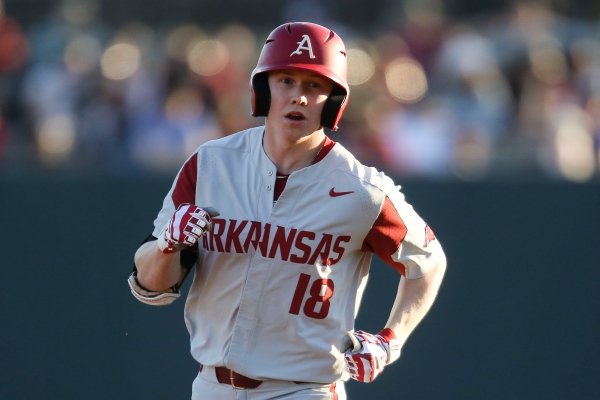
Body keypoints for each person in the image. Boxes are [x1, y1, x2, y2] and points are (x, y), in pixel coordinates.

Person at [129, 21, 447, 400]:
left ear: (334, 101)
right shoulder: (211, 164)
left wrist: (389, 341)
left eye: (314, 86)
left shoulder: (362, 190)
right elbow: (150, 286)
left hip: (304, 389)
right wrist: (168, 244)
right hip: (212, 385)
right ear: (262, 89)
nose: (298, 97)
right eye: (286, 81)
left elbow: (428, 262)